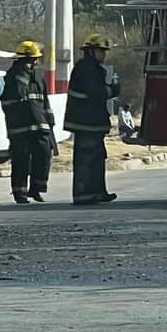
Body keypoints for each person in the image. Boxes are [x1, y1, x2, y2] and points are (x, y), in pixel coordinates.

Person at [64, 34, 120, 205]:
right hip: (86, 123)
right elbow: (97, 93)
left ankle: (98, 192)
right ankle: (84, 194)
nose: (104, 55)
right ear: (91, 51)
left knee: (96, 157)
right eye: (101, 51)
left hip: (92, 123)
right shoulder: (87, 69)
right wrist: (113, 90)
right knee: (86, 159)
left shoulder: (92, 68)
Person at [1, 39, 56, 204]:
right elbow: (14, 97)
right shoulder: (13, 77)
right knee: (21, 160)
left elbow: (44, 100)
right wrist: (22, 74)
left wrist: (50, 120)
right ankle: (20, 192)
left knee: (44, 155)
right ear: (26, 60)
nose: (36, 62)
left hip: (40, 125)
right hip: (20, 128)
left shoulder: (38, 76)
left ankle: (37, 188)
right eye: (34, 59)